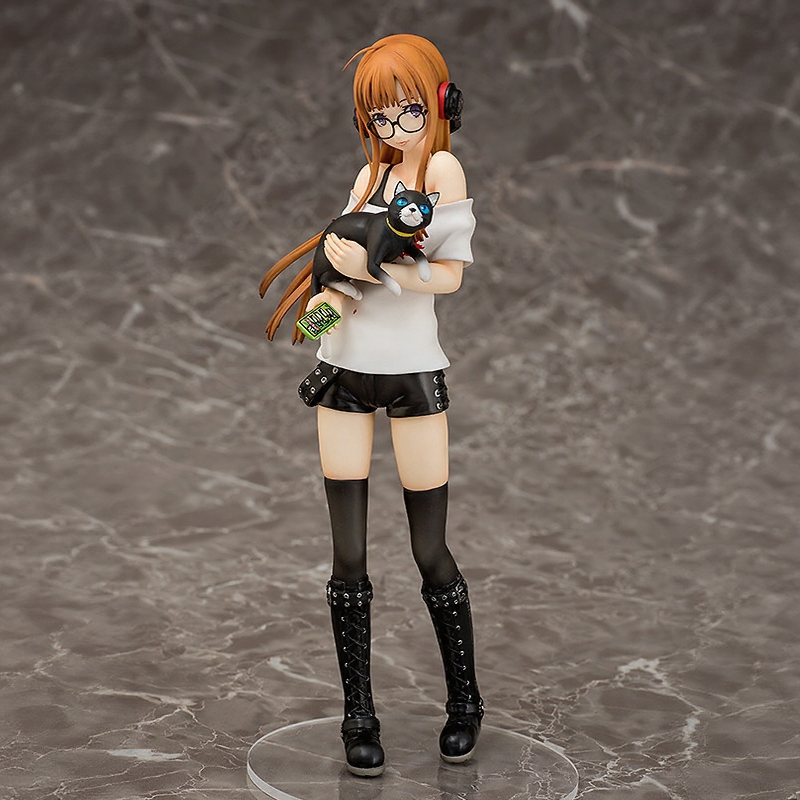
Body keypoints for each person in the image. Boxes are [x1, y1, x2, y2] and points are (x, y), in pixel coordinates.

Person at [259, 33, 482, 778]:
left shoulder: (441, 169)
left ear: (440, 102)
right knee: (348, 556)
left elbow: (448, 275)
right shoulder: (369, 175)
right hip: (346, 372)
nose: (395, 128)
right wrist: (316, 320)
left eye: (407, 111)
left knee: (429, 549)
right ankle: (359, 714)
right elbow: (340, 290)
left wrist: (378, 266)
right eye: (380, 117)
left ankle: (465, 702)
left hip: (413, 371)